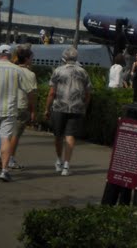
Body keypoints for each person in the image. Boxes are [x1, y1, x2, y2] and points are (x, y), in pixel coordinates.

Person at [44, 46, 92, 176]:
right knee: (70, 135)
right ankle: (66, 166)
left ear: (64, 57)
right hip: (76, 108)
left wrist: (46, 109)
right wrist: (84, 107)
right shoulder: (83, 72)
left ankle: (59, 161)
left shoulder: (58, 71)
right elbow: (88, 93)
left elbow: (52, 92)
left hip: (59, 107)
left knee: (58, 135)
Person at [0, 44, 37, 171]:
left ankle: (2, 156)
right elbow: (32, 94)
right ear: (27, 59)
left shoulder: (11, 69)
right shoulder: (30, 74)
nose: (32, 60)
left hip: (8, 105)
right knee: (15, 136)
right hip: (21, 107)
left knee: (5, 134)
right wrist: (33, 110)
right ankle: (5, 158)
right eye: (31, 58)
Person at [0, 44, 28, 182]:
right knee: (5, 139)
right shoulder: (17, 70)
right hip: (9, 110)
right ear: (11, 55)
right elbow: (27, 89)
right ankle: (4, 171)